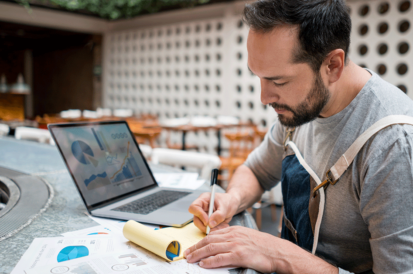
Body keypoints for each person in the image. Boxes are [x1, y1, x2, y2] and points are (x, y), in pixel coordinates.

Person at [184, 0, 413, 273]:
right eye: (259, 78)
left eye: (279, 82)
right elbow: (256, 171)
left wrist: (281, 255)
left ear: (333, 65)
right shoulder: (299, 111)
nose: (264, 97)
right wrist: (232, 199)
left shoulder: (392, 145)